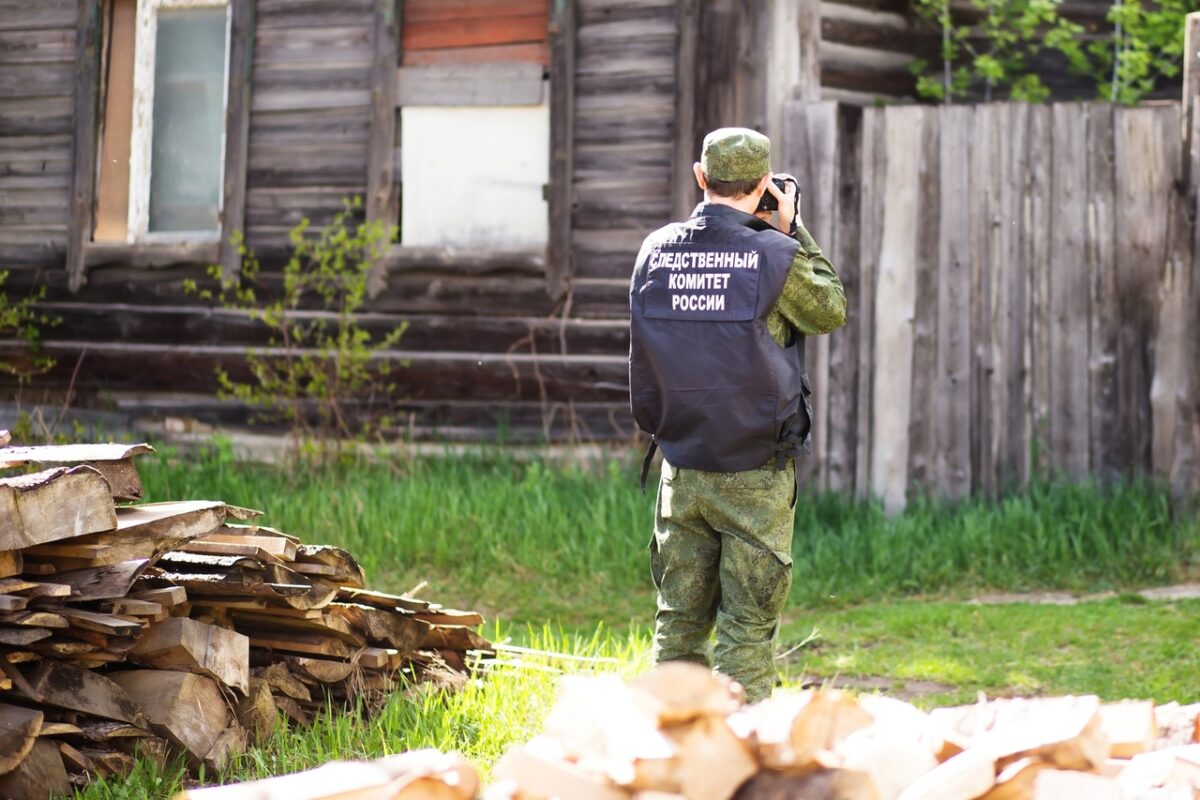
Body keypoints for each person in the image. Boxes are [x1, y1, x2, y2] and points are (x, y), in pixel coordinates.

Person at [628, 127, 847, 703]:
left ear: (701, 178)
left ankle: (669, 763)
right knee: (746, 633)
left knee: (678, 626)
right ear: (764, 186)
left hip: (681, 467)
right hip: (755, 469)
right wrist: (793, 227)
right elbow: (829, 308)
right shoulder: (775, 253)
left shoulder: (656, 249)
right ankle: (741, 765)